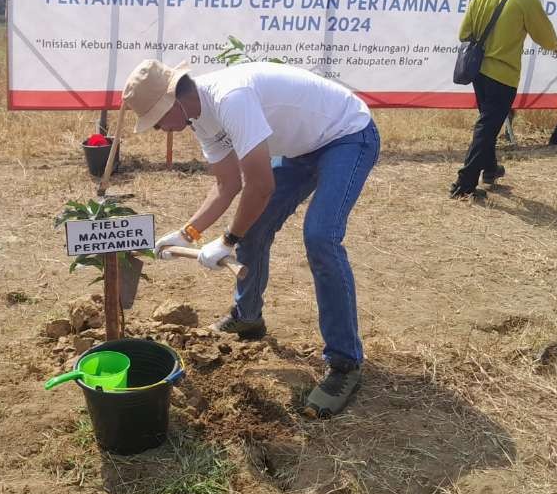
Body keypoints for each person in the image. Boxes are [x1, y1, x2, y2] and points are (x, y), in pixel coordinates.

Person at [122, 59, 379, 418]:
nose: (159, 130)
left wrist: (227, 241)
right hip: (302, 150)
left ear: (172, 104)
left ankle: (345, 364)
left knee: (321, 237)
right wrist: (187, 232)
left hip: (348, 135)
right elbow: (227, 185)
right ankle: (248, 317)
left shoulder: (231, 98)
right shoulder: (199, 118)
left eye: (157, 120)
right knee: (255, 228)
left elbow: (260, 186)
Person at [451, 0, 557, 199]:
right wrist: (556, 47)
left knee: (488, 123)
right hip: (504, 75)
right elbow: (545, 37)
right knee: (487, 127)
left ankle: (490, 170)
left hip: (478, 72)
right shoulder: (526, 0)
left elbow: (463, 34)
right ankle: (464, 184)